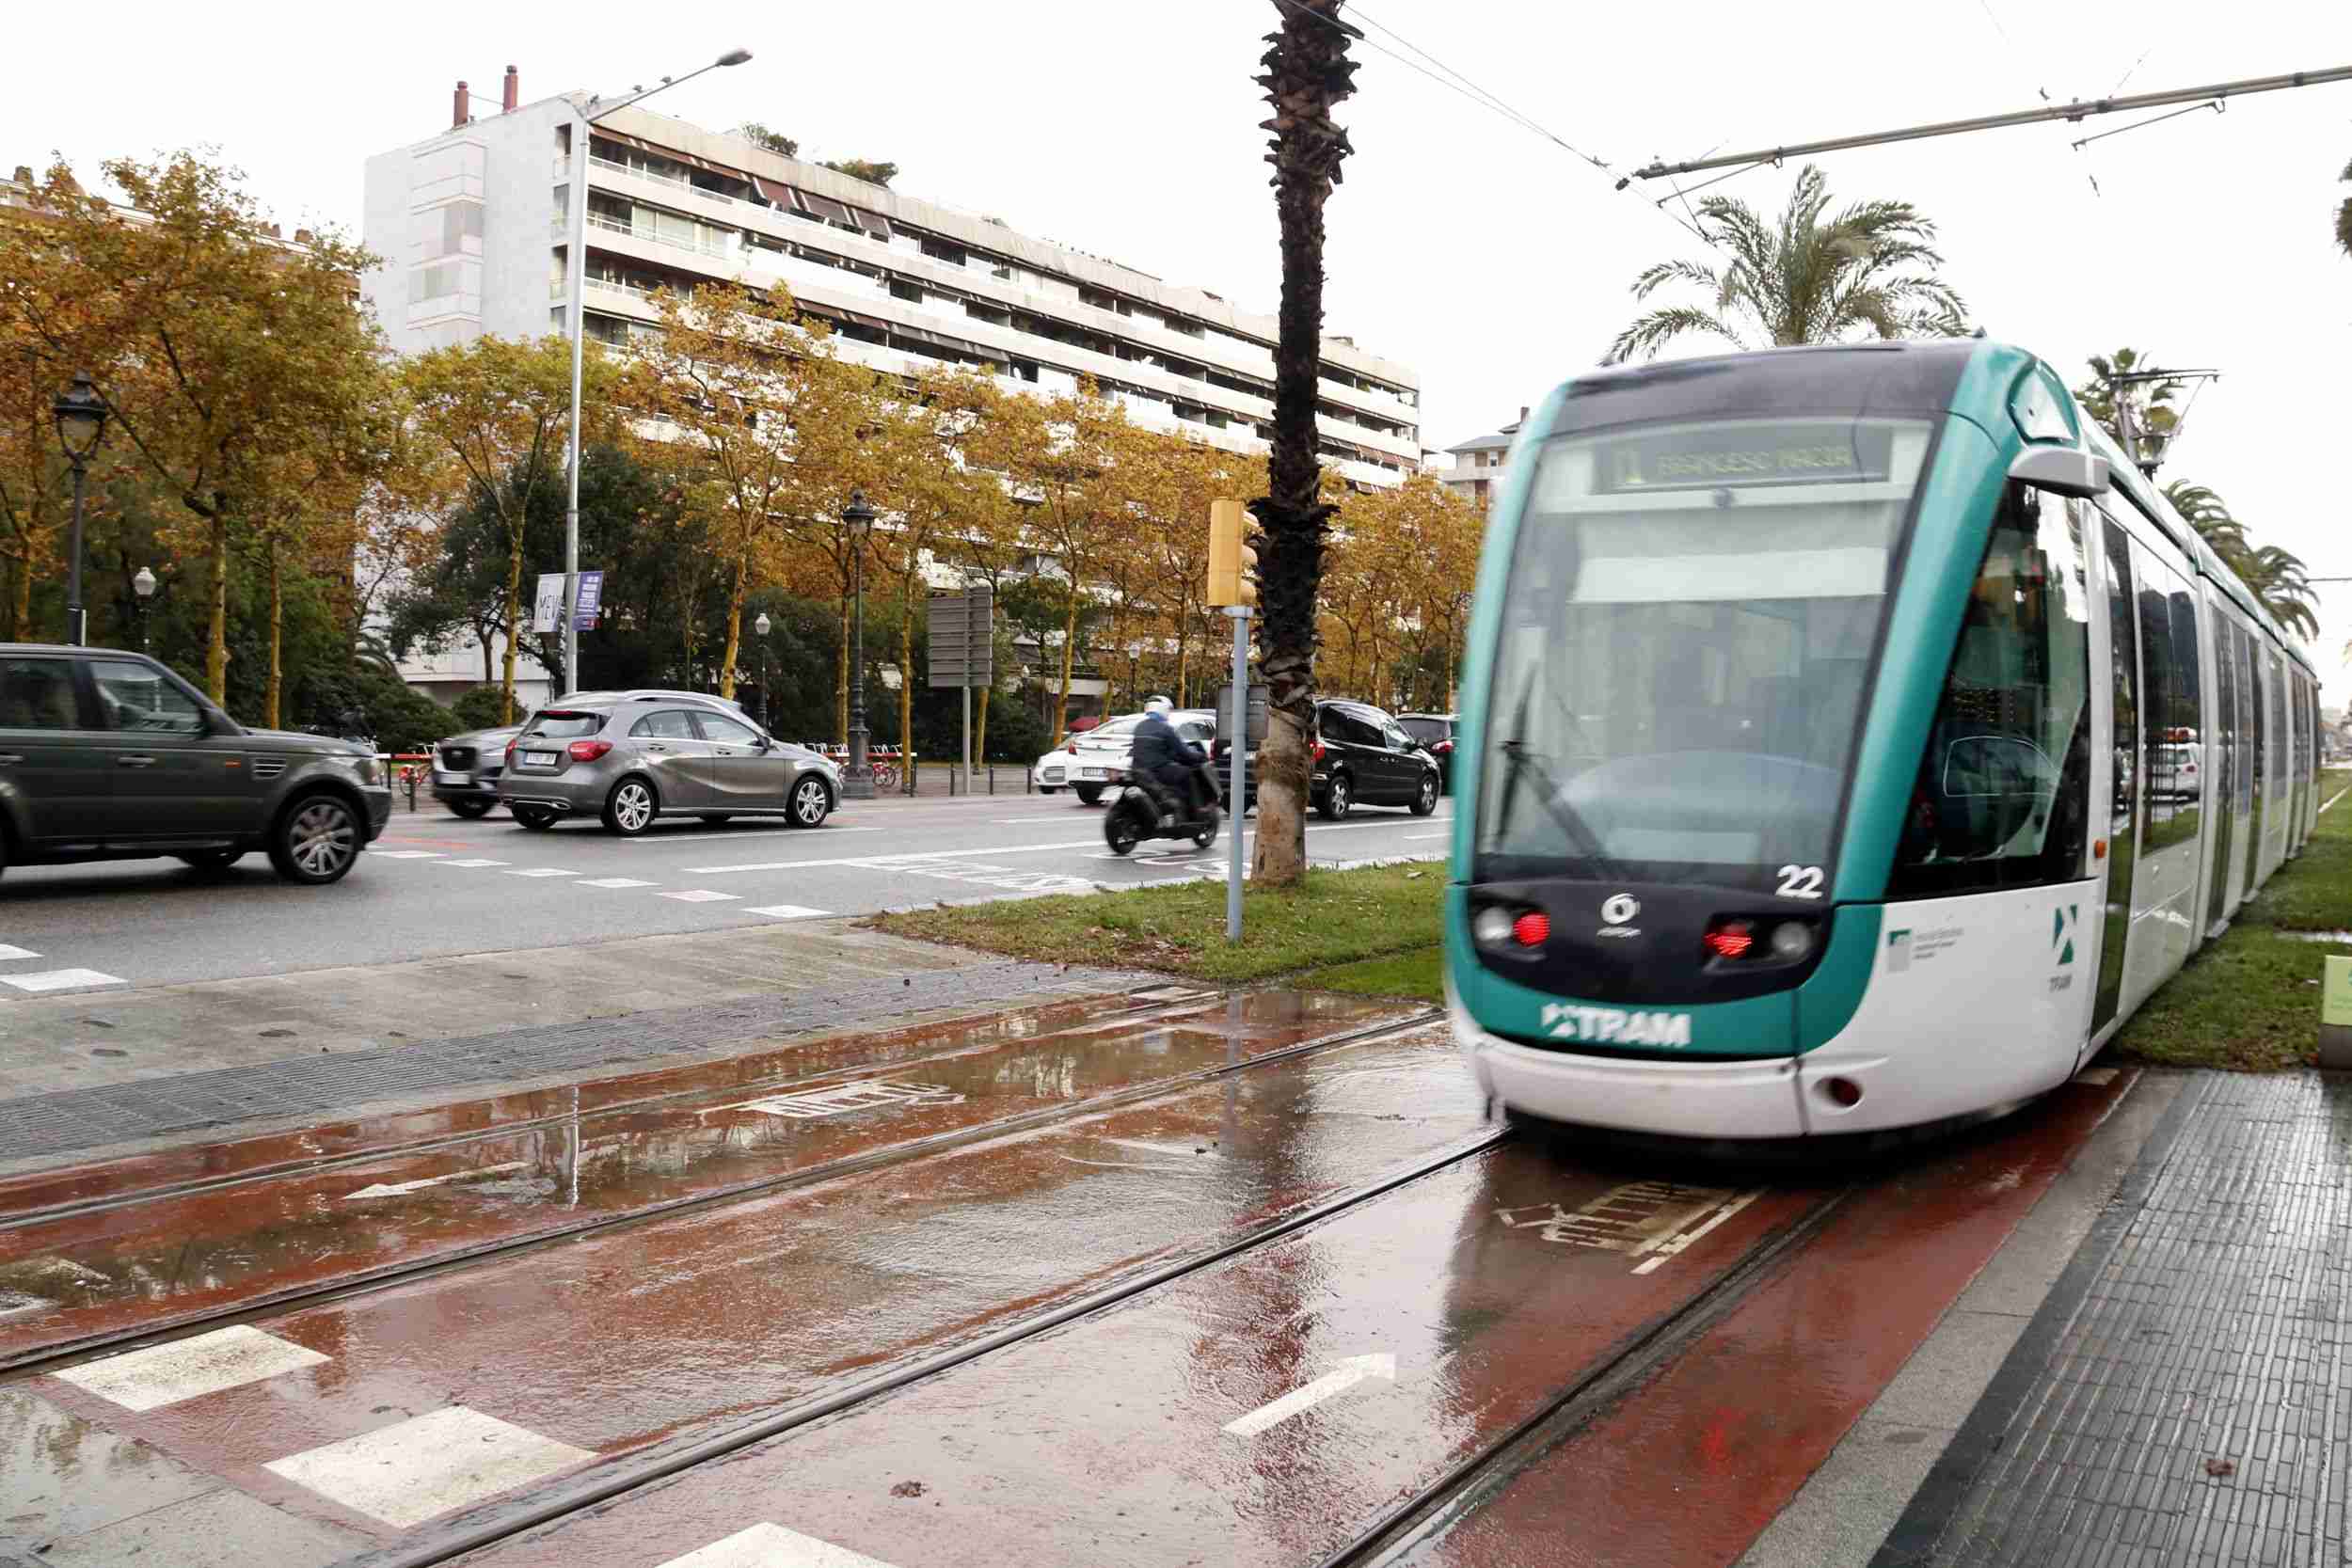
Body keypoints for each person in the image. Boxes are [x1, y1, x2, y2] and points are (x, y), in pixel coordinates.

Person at [1129, 696, 1206, 823]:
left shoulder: (1139, 727)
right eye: (1168, 710)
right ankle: (1197, 812)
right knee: (1188, 774)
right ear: (1163, 709)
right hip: (1157, 770)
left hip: (1138, 770)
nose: (1169, 713)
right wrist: (1199, 757)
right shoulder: (1165, 729)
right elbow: (1184, 752)